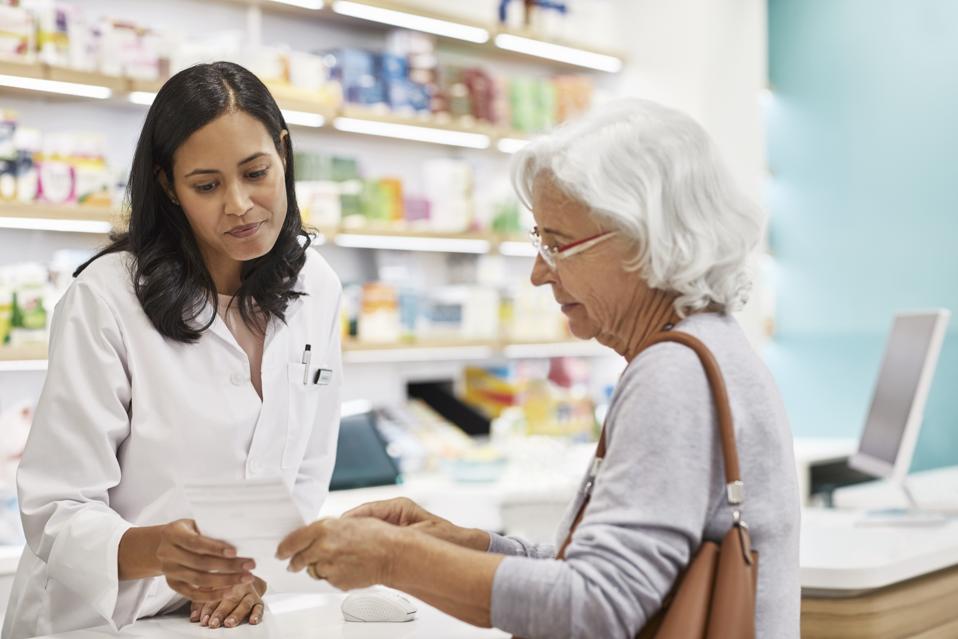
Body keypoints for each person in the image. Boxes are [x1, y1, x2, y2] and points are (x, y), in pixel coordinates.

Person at [275, 98, 801, 638]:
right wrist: (468, 546)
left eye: (557, 243)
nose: (538, 274)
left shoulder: (673, 374)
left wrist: (396, 559)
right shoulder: (711, 346)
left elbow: (596, 608)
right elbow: (617, 574)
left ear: (644, 240)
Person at [3, 62, 343, 638]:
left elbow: (306, 471)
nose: (238, 204)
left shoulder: (319, 287)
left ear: (283, 153)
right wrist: (157, 550)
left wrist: (253, 575)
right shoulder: (107, 299)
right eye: (206, 185)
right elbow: (55, 506)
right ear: (168, 186)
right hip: (96, 621)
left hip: (223, 620)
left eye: (256, 172)